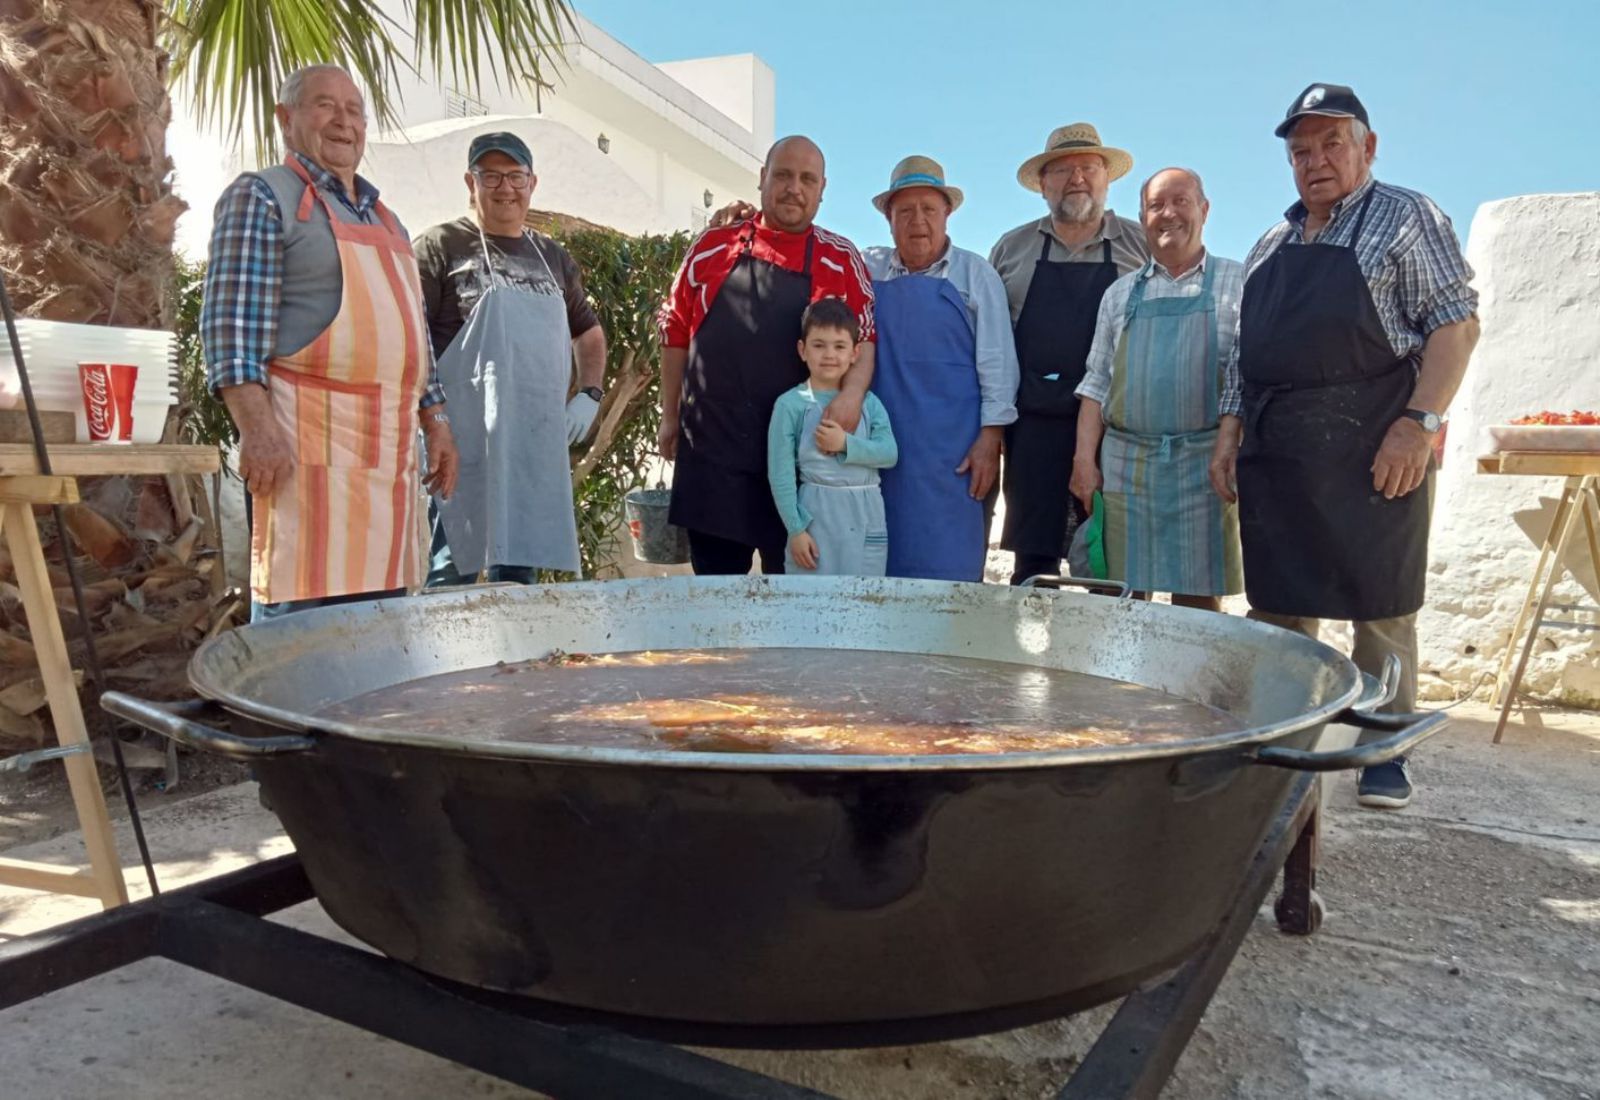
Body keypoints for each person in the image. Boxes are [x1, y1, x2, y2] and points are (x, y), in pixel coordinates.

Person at [1208, 83, 1480, 808]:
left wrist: (1418, 424)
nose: (1316, 161)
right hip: (1278, 449)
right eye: (1302, 150)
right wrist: (1230, 432)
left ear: (1368, 147)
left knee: (1379, 603)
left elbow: (1455, 323)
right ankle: (1286, 737)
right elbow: (1243, 354)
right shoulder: (1272, 242)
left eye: (1332, 144)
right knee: (1280, 606)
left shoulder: (1407, 217)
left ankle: (1383, 742)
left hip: (1375, 439)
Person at [201, 64, 458, 621]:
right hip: (300, 450)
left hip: (386, 457)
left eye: (354, 110)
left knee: (380, 630)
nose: (344, 122)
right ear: (285, 118)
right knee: (300, 632)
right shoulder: (262, 196)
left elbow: (412, 333)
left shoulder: (387, 218)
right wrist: (257, 430)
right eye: (324, 105)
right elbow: (229, 331)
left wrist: (435, 420)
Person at [657, 136, 876, 576]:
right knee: (717, 604)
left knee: (794, 609)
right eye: (783, 175)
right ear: (762, 179)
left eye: (807, 179)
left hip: (800, 464)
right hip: (714, 453)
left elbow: (865, 339)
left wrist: (851, 397)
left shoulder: (841, 258)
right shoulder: (713, 246)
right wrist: (669, 414)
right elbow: (675, 330)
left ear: (822, 189)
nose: (794, 187)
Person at [414, 131, 608, 584]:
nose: (505, 188)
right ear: (470, 181)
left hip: (531, 444)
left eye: (515, 176)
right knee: (452, 566)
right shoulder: (440, 246)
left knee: (519, 574)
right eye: (492, 176)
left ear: (532, 182)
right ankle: (452, 655)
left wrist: (590, 394)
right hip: (460, 442)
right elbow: (412, 336)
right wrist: (432, 420)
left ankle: (516, 656)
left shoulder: (552, 256)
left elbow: (589, 332)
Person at [1071, 168, 1244, 609]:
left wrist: (1231, 452)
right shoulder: (1119, 294)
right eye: (1155, 206)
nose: (1168, 214)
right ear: (1142, 217)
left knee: (1199, 603)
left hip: (1205, 465)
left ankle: (1191, 681)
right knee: (1123, 599)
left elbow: (1246, 380)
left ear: (1204, 210)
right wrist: (1083, 462)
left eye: (1181, 202)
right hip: (1127, 466)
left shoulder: (1239, 283)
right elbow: (1096, 384)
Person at [989, 124, 1149, 584]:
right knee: (1032, 570)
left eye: (1088, 167)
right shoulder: (1011, 249)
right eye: (1062, 170)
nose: (1076, 178)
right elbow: (992, 346)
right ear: (1043, 185)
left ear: (1106, 178)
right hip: (1032, 432)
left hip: (1117, 431)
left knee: (1113, 564)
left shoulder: (1142, 245)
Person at [861, 156, 1018, 581]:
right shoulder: (866, 269)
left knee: (951, 580)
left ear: (947, 214)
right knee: (880, 575)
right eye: (905, 211)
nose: (918, 221)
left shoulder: (976, 275)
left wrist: (991, 440)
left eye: (928, 209)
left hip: (956, 460)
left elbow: (999, 364)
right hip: (881, 452)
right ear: (889, 219)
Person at [768, 298, 898, 575]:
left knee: (863, 603)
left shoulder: (869, 403)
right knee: (810, 604)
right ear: (802, 350)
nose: (829, 354)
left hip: (865, 516)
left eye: (839, 346)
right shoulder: (789, 405)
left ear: (855, 353)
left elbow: (889, 453)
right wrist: (796, 529)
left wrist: (845, 444)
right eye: (819, 345)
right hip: (815, 518)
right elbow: (780, 474)